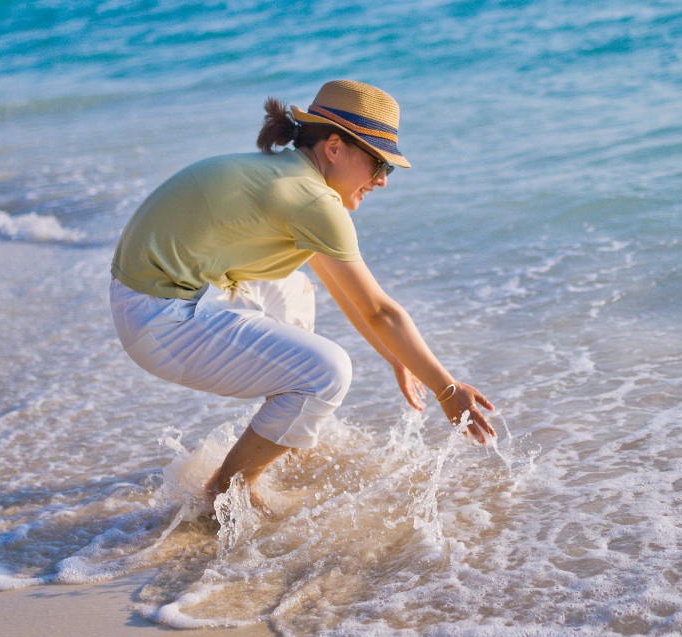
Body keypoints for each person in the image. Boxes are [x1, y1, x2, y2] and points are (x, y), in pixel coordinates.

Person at [108, 79, 496, 508]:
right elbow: (380, 311)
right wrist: (447, 390)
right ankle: (226, 491)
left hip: (153, 297)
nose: (383, 182)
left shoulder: (286, 176)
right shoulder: (313, 202)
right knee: (328, 372)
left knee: (294, 289)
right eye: (380, 165)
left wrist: (397, 356)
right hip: (159, 320)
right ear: (334, 147)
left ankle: (284, 423)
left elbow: (347, 292)